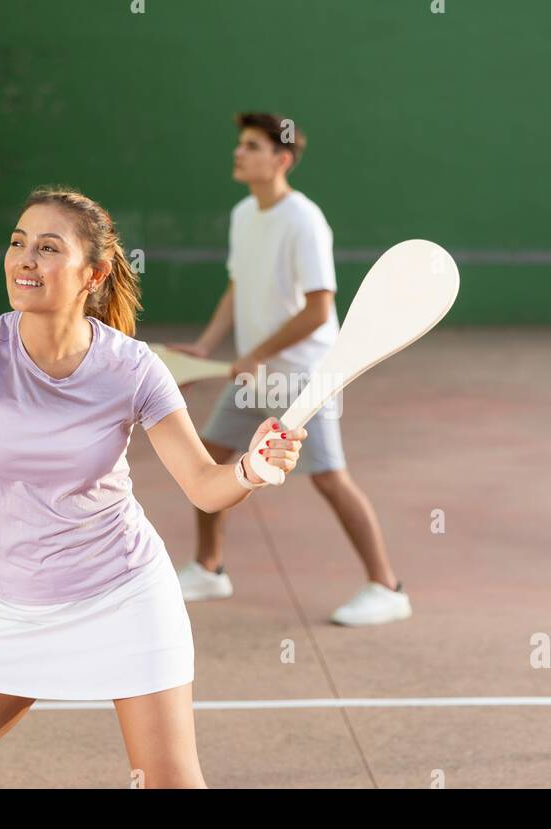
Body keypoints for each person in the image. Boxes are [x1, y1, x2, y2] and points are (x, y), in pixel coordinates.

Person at [0, 186, 306, 788]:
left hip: (124, 595)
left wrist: (252, 468)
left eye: (47, 248)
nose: (24, 259)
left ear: (92, 273)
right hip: (14, 609)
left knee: (170, 784)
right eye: (18, 243)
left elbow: (205, 485)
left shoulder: (133, 367)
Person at [167, 112, 409, 626]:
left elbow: (320, 308)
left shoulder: (304, 220)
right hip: (257, 373)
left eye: (251, 146)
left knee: (329, 478)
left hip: (305, 375)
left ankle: (387, 587)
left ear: (281, 159)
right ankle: (210, 569)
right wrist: (208, 344)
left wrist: (257, 354)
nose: (239, 153)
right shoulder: (243, 214)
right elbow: (238, 286)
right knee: (210, 458)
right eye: (239, 144)